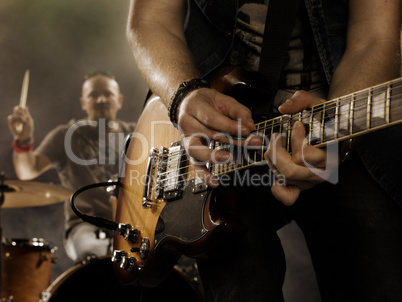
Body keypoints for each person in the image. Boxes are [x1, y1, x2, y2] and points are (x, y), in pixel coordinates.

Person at [126, 0, 402, 301]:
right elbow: (151, 20)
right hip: (216, 133)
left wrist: (341, 138)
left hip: (335, 123)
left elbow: (375, 37)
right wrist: (183, 94)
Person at [8, 71, 136, 262]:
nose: (101, 99)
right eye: (93, 94)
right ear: (83, 102)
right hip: (85, 225)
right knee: (93, 255)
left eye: (107, 94)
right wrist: (23, 140)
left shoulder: (135, 134)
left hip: (133, 223)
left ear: (119, 100)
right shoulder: (65, 136)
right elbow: (27, 170)